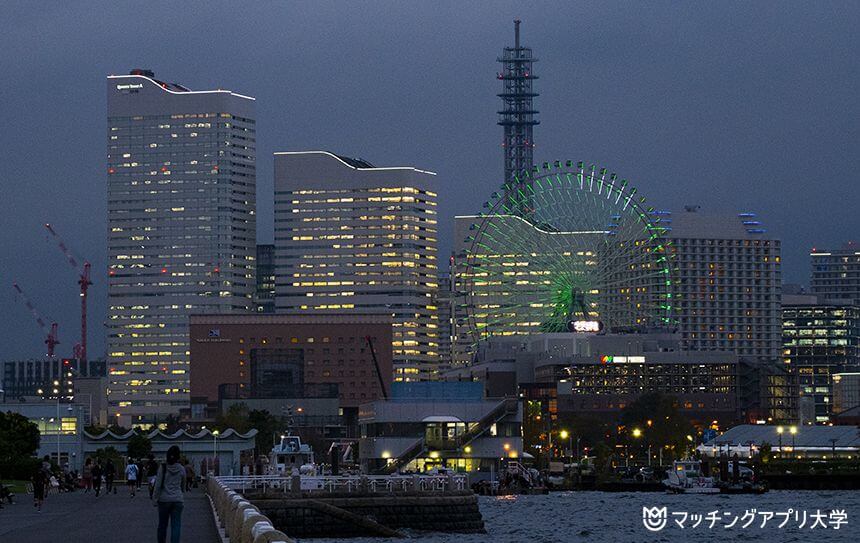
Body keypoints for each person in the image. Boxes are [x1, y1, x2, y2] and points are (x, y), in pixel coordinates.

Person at [154, 445, 185, 543]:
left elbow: (158, 485)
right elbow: (183, 484)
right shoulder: (181, 468)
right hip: (177, 499)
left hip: (164, 500)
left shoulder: (163, 467)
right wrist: (180, 492)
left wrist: (155, 499)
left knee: (162, 525)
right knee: (176, 525)